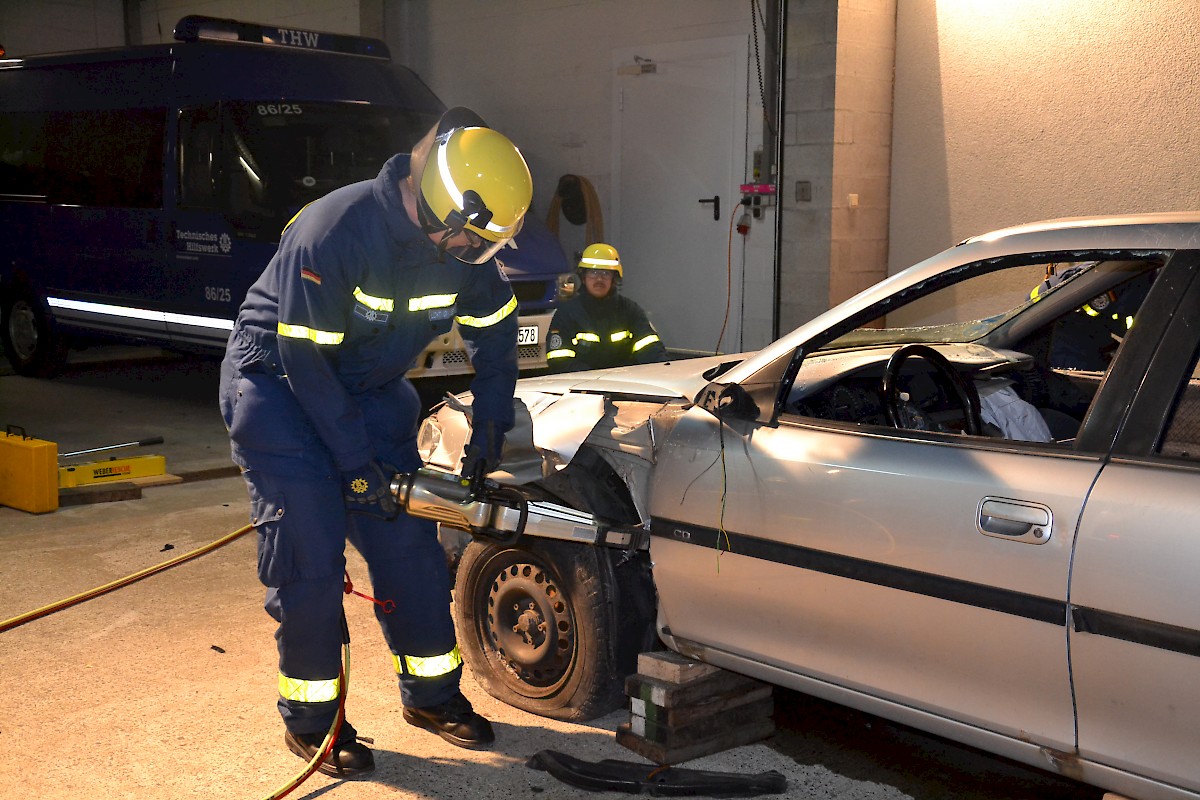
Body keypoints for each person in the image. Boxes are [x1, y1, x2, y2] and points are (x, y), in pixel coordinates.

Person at [217, 107, 530, 779]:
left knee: (410, 552)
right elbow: (305, 366)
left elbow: (497, 333)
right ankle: (315, 724)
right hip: (279, 392)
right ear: (444, 209)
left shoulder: (461, 247)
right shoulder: (335, 231)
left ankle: (432, 698)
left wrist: (492, 427)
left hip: (368, 392)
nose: (479, 256)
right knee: (311, 562)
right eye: (473, 241)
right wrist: (356, 467)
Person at [544, 243, 668, 372]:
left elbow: (650, 350)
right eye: (593, 272)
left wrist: (664, 371)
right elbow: (559, 361)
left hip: (623, 384)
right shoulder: (567, 313)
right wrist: (594, 379)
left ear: (614, 279)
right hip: (581, 387)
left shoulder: (630, 310)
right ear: (584, 277)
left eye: (605, 273)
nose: (599, 279)